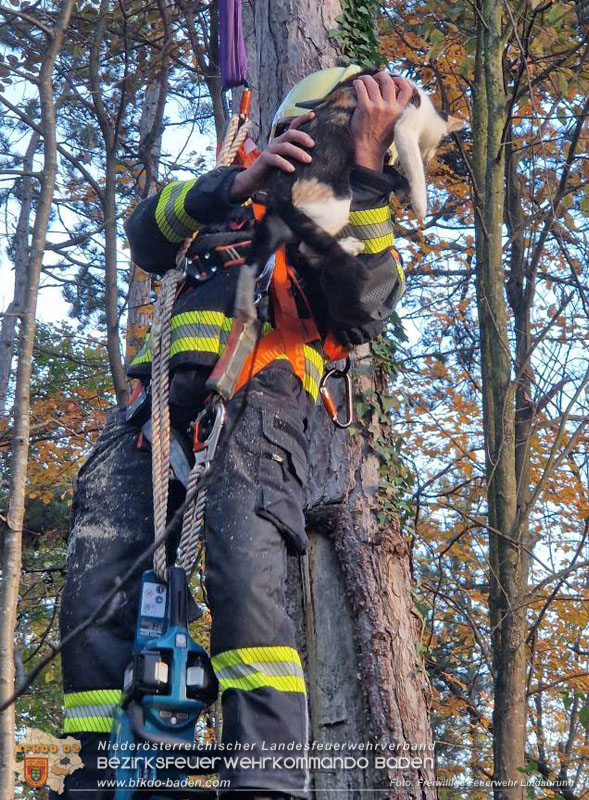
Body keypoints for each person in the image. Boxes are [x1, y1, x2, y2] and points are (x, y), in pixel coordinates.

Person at [54, 67, 413, 800]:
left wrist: (365, 167)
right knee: (96, 588)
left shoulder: (339, 222)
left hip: (259, 411)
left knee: (246, 584)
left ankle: (265, 778)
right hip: (148, 420)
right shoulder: (225, 199)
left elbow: (364, 305)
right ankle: (101, 772)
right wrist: (235, 183)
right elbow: (147, 232)